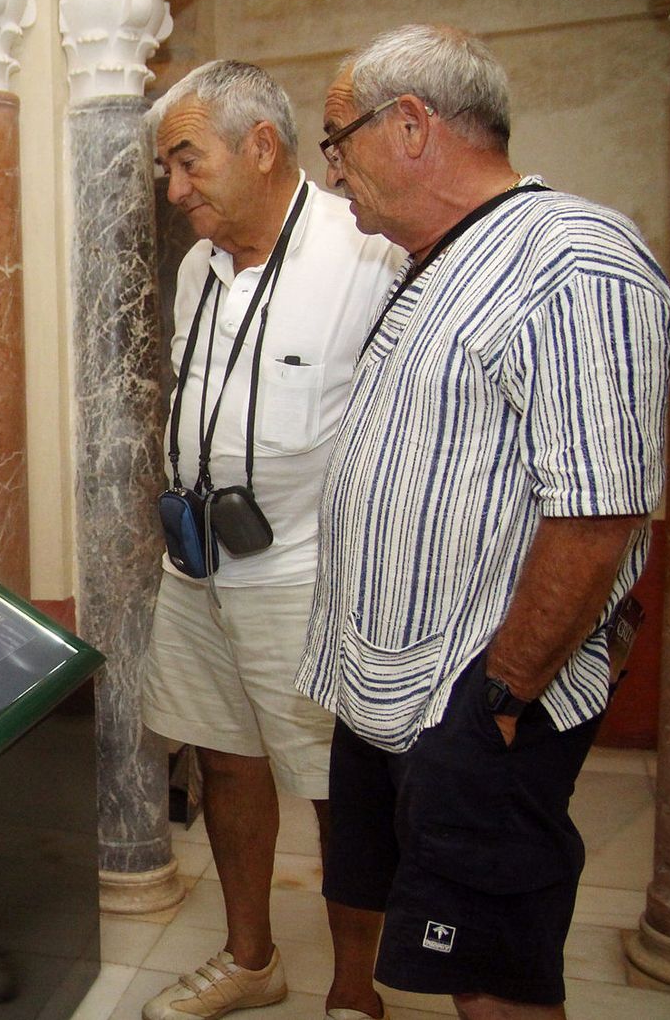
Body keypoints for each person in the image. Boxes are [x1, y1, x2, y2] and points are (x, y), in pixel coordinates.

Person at [299, 24, 670, 1020]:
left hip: (477, 697)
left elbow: (596, 515)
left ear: (411, 126)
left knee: (491, 969)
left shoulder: (571, 259)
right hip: (395, 686)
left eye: (336, 141)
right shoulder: (431, 262)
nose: (330, 172)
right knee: (420, 923)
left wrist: (498, 700)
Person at [141, 61, 404, 1020]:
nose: (175, 190)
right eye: (167, 168)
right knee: (223, 758)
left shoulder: (363, 252)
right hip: (197, 563)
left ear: (262, 146)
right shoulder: (194, 269)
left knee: (338, 786)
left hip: (307, 572)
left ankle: (354, 989)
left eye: (187, 161)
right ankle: (251, 959)